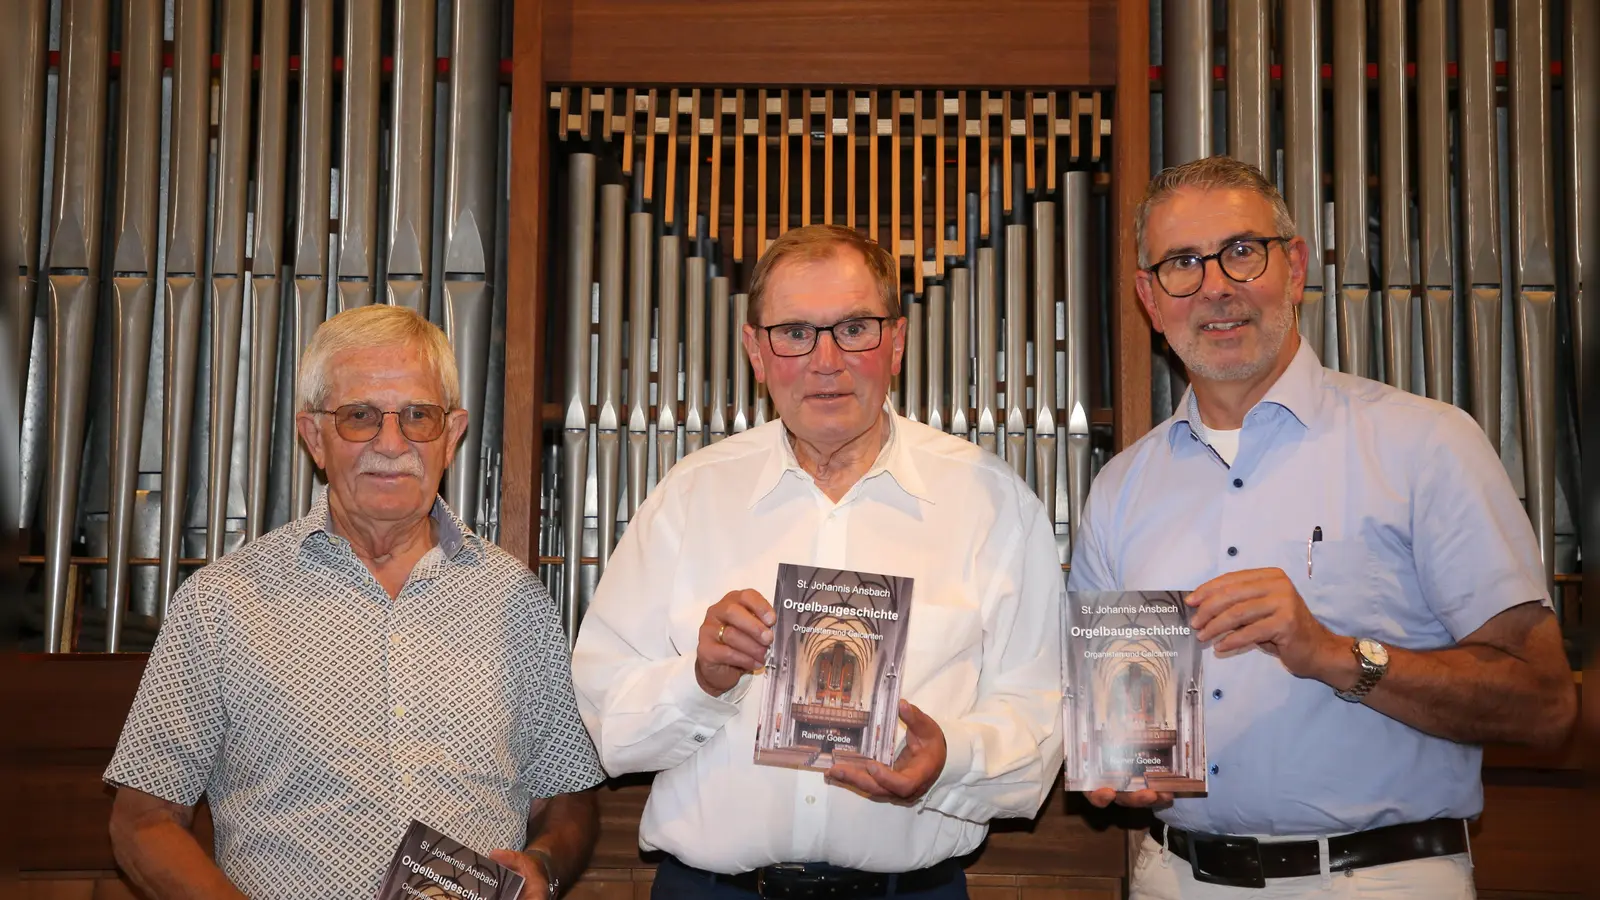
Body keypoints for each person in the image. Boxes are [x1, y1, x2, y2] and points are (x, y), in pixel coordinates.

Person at [1068, 155, 1577, 899]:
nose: (1216, 286)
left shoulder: (1427, 444)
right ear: (1150, 297)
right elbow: (1101, 718)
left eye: (1242, 252)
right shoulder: (1119, 488)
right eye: (1181, 263)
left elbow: (1547, 703)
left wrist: (1333, 655)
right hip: (1174, 877)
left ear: (1295, 266)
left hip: (1380, 879)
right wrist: (1115, 771)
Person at [571, 224, 1063, 899]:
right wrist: (703, 679)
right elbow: (602, 723)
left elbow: (1041, 714)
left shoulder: (989, 501)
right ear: (755, 349)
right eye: (795, 333)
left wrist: (951, 758)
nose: (826, 360)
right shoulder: (689, 498)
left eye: (855, 328)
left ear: (896, 341)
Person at [105, 304, 604, 899]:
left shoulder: (518, 601)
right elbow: (143, 820)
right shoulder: (222, 603)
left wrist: (542, 866)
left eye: (418, 416)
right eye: (359, 417)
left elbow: (568, 797)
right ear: (314, 437)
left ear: (452, 435)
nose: (391, 444)